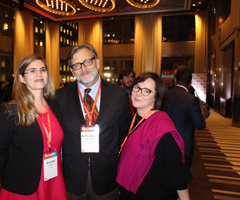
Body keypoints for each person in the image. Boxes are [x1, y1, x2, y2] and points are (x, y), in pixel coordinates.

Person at [55, 43, 132, 199]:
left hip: (107, 176)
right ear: (72, 70)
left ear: (97, 62)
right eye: (77, 65)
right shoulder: (59, 97)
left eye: (87, 62)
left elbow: (125, 135)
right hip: (72, 179)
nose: (83, 68)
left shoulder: (119, 95)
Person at [0, 54, 67, 199]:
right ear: (21, 78)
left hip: (54, 182)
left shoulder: (55, 106)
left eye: (42, 69)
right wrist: (14, 179)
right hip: (24, 188)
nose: (39, 74)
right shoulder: (10, 112)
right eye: (32, 70)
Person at [116, 72, 193, 200]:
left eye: (146, 91)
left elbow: (177, 174)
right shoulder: (133, 120)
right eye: (137, 87)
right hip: (130, 193)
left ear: (156, 97)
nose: (138, 93)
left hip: (154, 194)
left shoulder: (161, 129)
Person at [162, 65, 206, 169]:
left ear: (175, 80)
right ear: (190, 83)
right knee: (182, 177)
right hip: (183, 145)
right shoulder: (191, 99)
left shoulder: (164, 95)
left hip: (164, 142)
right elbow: (200, 125)